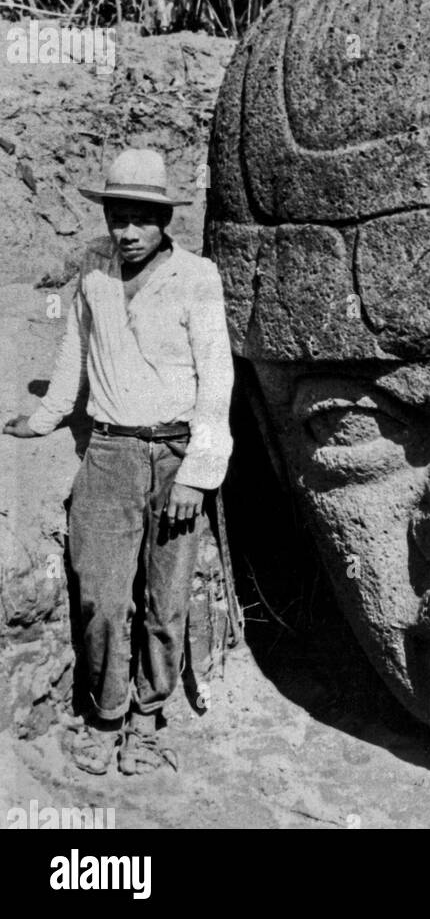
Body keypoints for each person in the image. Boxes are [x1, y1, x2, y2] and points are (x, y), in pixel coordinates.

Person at [4, 148, 233, 775]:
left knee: (167, 602)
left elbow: (217, 378)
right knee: (101, 599)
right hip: (108, 452)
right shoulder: (94, 275)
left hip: (177, 456)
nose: (127, 232)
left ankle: (147, 719)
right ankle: (105, 717)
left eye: (140, 219)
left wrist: (197, 472)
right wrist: (45, 420)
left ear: (165, 222)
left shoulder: (198, 276)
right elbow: (73, 358)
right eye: (117, 218)